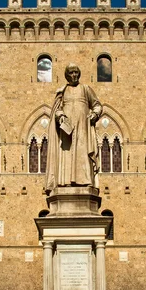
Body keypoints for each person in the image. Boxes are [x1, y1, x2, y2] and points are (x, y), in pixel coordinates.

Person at [45, 64, 102, 193]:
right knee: (67, 155)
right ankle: (64, 183)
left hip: (83, 128)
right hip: (67, 131)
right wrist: (60, 116)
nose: (74, 75)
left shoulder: (86, 89)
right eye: (71, 73)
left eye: (76, 72)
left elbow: (97, 105)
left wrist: (95, 114)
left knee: (83, 153)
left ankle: (86, 182)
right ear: (67, 75)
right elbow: (57, 109)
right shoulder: (62, 91)